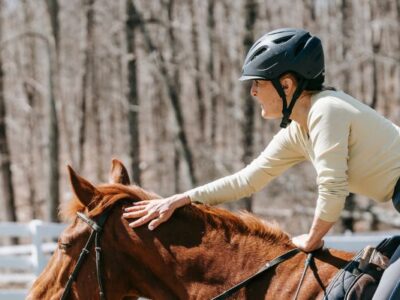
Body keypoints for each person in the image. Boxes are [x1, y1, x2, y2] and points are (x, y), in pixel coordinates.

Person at [122, 28, 400, 299]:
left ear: (287, 85)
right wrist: (181, 199)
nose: (252, 92)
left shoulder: (327, 110)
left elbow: (333, 190)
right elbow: (249, 179)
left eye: (258, 83)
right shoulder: (298, 131)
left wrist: (312, 239)